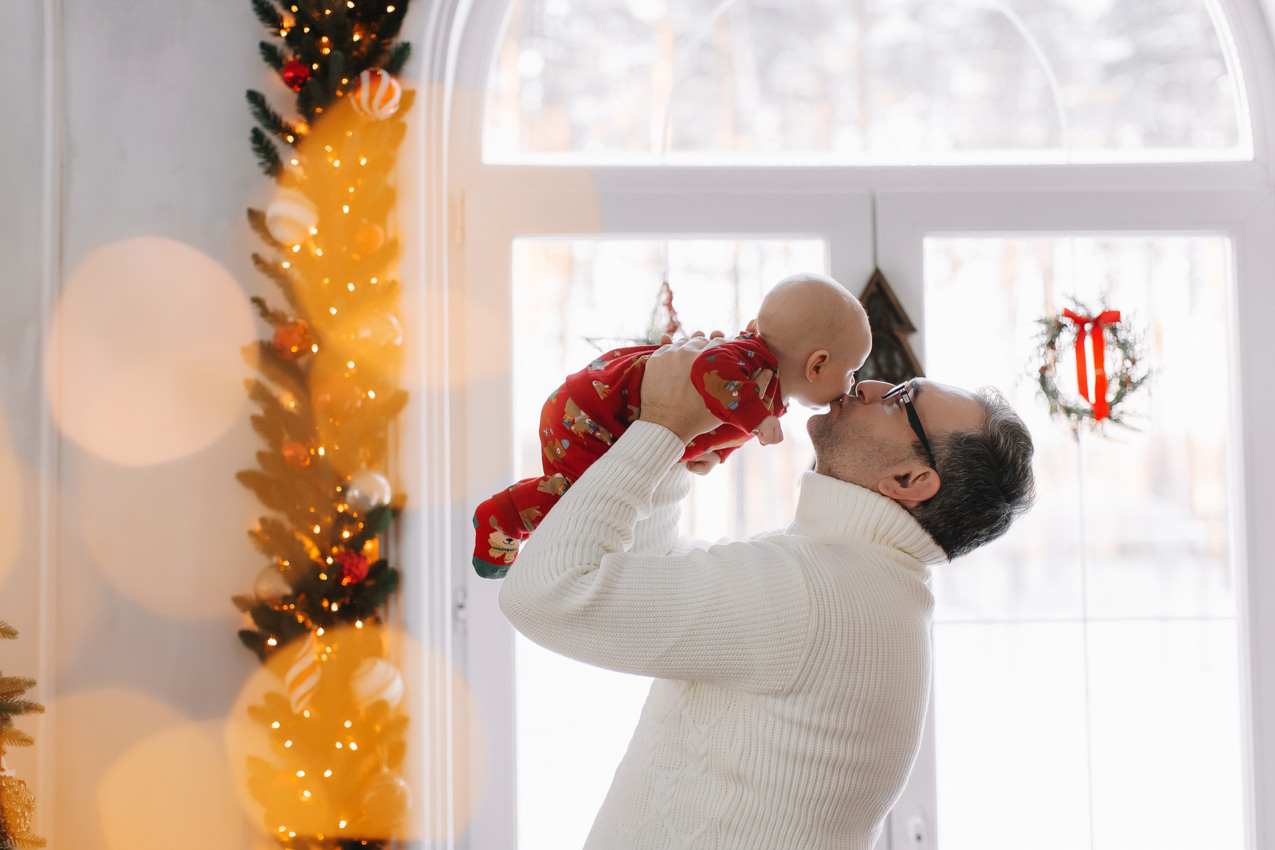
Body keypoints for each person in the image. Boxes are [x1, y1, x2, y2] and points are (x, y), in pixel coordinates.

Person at [498, 334, 1036, 850]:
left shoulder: (819, 593)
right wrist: (674, 449)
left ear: (909, 480)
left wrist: (662, 426)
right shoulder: (857, 583)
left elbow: (547, 592)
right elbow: (648, 576)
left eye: (899, 401)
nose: (870, 386)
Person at [472, 273, 871, 578]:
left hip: (601, 413)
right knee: (577, 501)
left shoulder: (769, 386)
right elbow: (710, 372)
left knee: (589, 498)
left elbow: (716, 419)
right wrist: (758, 419)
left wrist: (715, 452)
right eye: (851, 371)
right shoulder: (751, 360)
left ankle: (509, 516)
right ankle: (501, 517)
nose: (852, 383)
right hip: (593, 414)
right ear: (817, 364)